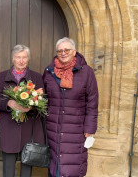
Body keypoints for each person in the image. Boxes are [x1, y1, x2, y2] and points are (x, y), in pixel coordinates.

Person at [42, 37, 99, 177]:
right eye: (60, 50)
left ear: (74, 51)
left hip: (76, 128)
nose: (63, 53)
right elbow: (44, 97)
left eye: (66, 50)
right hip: (53, 127)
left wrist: (90, 127)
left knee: (72, 165)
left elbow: (92, 101)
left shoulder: (86, 72)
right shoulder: (49, 72)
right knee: (54, 164)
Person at [0, 45, 45, 177]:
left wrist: (31, 106)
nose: (21, 60)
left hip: (29, 127)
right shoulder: (2, 76)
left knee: (27, 163)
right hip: (9, 126)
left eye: (24, 57)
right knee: (8, 167)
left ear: (28, 59)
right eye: (18, 57)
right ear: (13, 59)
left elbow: (43, 101)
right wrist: (9, 103)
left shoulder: (36, 77)